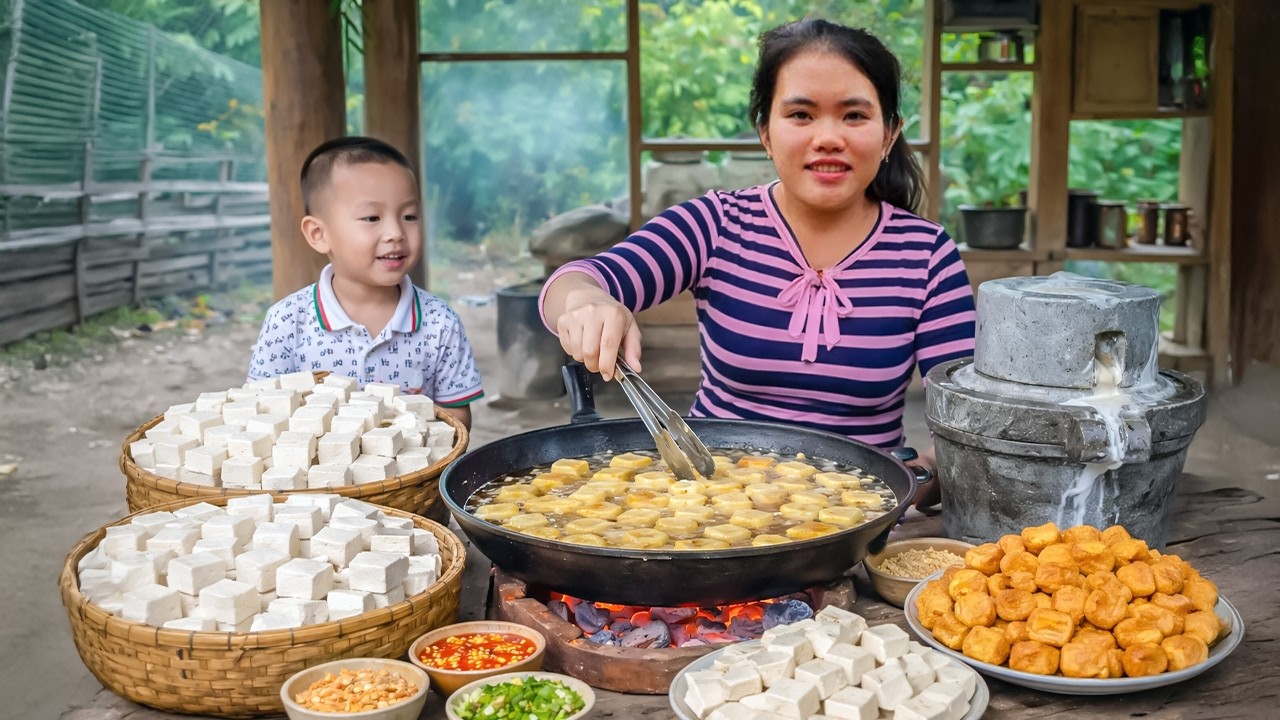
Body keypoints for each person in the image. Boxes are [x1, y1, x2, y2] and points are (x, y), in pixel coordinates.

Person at [539, 19, 976, 504]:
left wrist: (897, 487)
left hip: (859, 520)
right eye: (801, 115)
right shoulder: (718, 224)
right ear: (765, 131)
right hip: (711, 508)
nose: (828, 137)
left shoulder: (926, 253)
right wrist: (586, 301)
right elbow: (575, 280)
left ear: (890, 133)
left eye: (854, 116)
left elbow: (962, 436)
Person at [248, 136, 484, 429]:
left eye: (409, 216)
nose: (395, 232)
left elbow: (457, 420)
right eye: (372, 217)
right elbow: (260, 412)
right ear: (319, 234)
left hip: (419, 476)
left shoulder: (440, 323)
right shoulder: (287, 322)